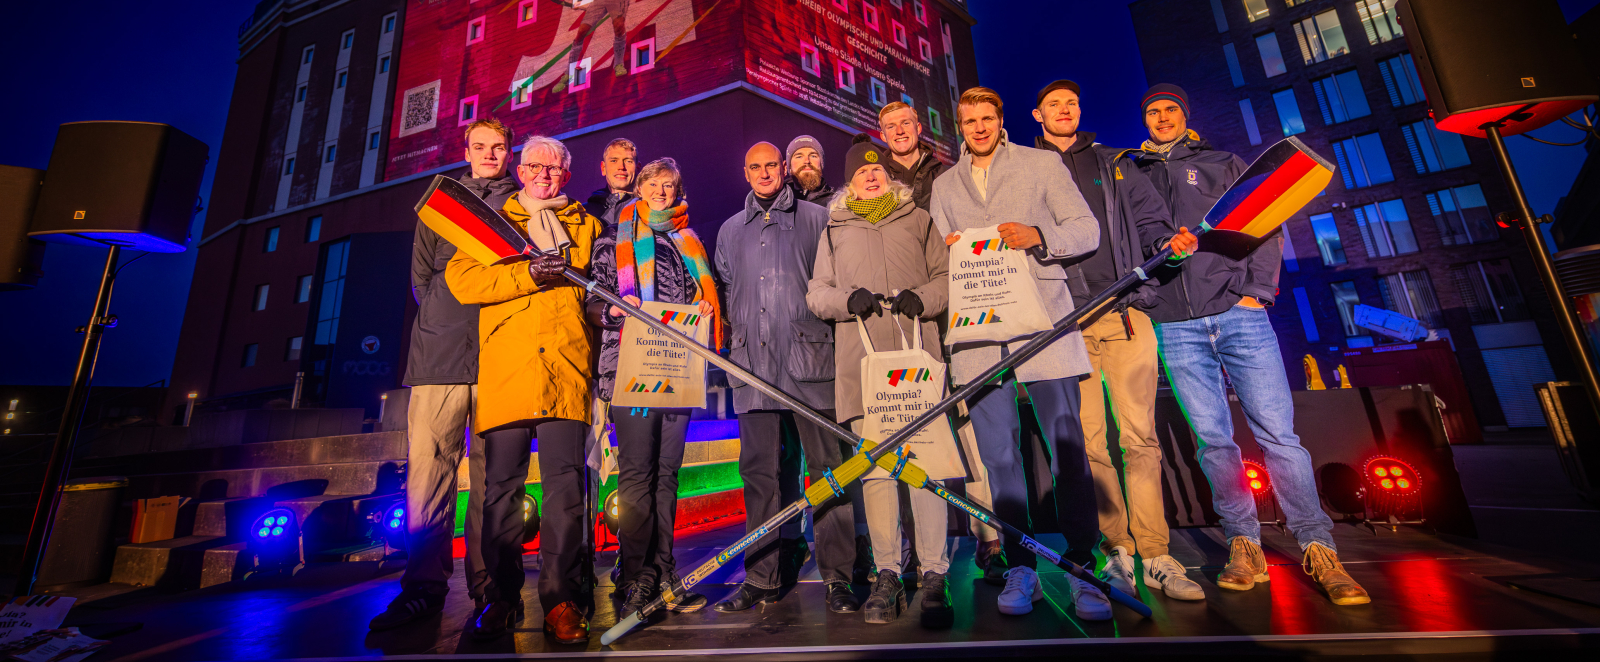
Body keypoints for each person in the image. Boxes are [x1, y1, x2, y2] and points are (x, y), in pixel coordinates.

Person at [1131, 83, 1370, 606]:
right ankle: (1246, 545)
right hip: (1176, 323)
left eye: (1171, 108)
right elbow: (1135, 243)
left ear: (1184, 115)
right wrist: (1154, 303)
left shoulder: (1222, 161)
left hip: (1239, 314)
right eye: (1153, 111)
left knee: (1279, 437)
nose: (1163, 117)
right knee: (1215, 443)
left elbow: (1268, 221)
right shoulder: (1133, 172)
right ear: (1145, 121)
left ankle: (1318, 547)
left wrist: (1256, 293)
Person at [928, 87, 1110, 620]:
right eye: (969, 120)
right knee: (999, 458)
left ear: (1000, 120)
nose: (979, 128)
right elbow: (943, 251)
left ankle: (1082, 567)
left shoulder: (1041, 164)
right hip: (979, 337)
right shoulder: (943, 184)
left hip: (1042, 329)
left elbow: (1086, 229)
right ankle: (1019, 565)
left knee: (1066, 449)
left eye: (987, 118)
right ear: (959, 126)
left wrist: (1037, 234)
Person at [1031, 81, 1204, 602]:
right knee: (1088, 446)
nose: (1065, 110)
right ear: (1037, 114)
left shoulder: (1115, 162)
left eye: (1073, 103)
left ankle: (1155, 553)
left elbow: (1151, 223)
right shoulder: (1024, 167)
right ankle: (1117, 549)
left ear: (1080, 112)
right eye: (1055, 104)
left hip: (1125, 313)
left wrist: (1168, 246)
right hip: (1064, 321)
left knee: (1140, 439)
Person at [445, 134, 605, 642]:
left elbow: (595, 293)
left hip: (566, 369)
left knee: (565, 494)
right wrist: (530, 273)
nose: (544, 174)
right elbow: (463, 282)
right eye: (535, 164)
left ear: (567, 175)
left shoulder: (588, 224)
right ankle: (501, 598)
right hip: (508, 370)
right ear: (521, 170)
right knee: (500, 494)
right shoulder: (494, 221)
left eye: (555, 168)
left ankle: (560, 602)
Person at [369, 118, 513, 632]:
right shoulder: (440, 206)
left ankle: (491, 590)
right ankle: (424, 588)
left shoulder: (520, 204)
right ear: (466, 150)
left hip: (499, 361)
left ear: (509, 151)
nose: (490, 155)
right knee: (429, 479)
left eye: (498, 147)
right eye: (480, 147)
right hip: (438, 359)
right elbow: (421, 280)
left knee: (495, 483)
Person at [807, 136, 953, 627]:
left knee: (926, 468)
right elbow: (817, 293)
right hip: (864, 367)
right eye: (861, 172)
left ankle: (934, 573)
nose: (871, 176)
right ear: (849, 182)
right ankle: (888, 571)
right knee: (876, 470)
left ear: (888, 176)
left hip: (917, 360)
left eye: (878, 170)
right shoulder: (834, 228)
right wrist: (847, 300)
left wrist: (925, 298)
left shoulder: (917, 218)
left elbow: (948, 277)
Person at [713, 141, 860, 615]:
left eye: (771, 165)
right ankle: (763, 575)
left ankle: (839, 576)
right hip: (752, 370)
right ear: (745, 172)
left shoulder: (818, 220)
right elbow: (726, 291)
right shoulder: (730, 230)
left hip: (809, 367)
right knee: (760, 476)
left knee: (827, 473)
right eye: (754, 166)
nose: (764, 173)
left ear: (783, 169)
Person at [585, 158, 715, 618]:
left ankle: (664, 573)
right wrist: (615, 309)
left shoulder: (689, 240)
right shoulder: (612, 238)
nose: (660, 192)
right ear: (639, 189)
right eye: (652, 184)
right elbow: (593, 301)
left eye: (668, 185)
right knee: (638, 476)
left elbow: (701, 294)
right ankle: (636, 576)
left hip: (677, 372)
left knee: (667, 476)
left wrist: (703, 307)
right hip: (630, 371)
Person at [877, 102, 945, 211]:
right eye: (891, 126)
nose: (900, 131)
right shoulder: (877, 181)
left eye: (905, 123)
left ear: (918, 128)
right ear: (883, 136)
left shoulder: (944, 175)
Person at [583, 138, 639, 227]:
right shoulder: (584, 213)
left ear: (638, 168)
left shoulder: (651, 209)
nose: (621, 167)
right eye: (614, 161)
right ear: (603, 168)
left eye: (628, 161)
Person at [784, 135, 836, 204]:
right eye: (799, 157)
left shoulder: (835, 203)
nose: (807, 161)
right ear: (789, 167)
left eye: (813, 156)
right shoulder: (778, 200)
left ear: (821, 164)